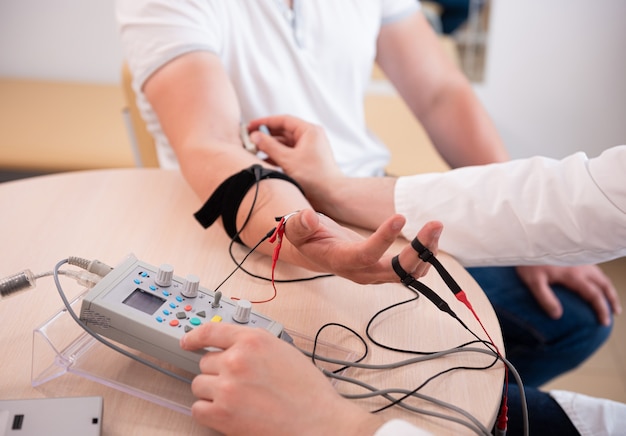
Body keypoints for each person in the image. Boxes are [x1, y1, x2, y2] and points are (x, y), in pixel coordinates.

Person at [117, 0, 615, 398]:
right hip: (265, 219)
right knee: (375, 363)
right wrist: (306, 234)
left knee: (574, 318)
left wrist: (523, 227)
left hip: (364, 193)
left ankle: (428, 405)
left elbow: (440, 89)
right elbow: (211, 142)